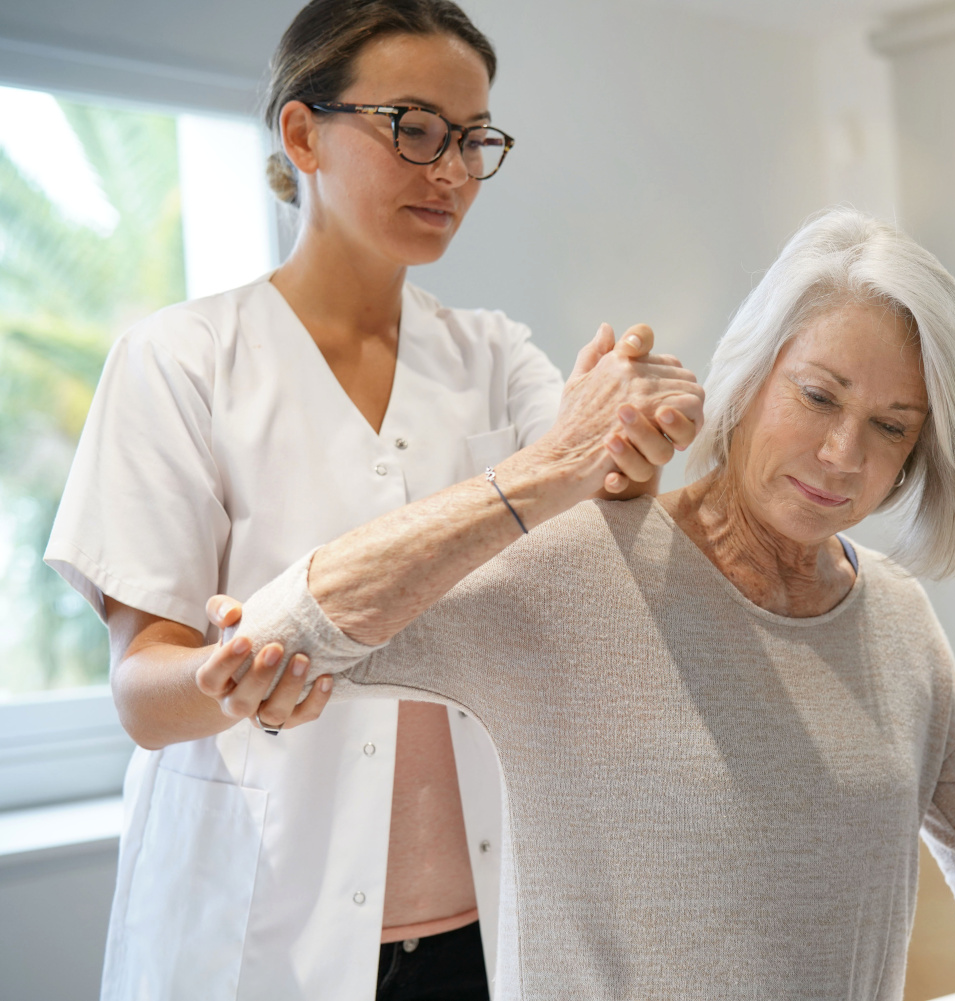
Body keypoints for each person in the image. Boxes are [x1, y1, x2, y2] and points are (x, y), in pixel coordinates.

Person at [232, 209, 955, 1000]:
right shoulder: (577, 565)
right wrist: (551, 468)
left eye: (892, 426)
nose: (844, 453)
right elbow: (276, 633)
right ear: (748, 374)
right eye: (818, 396)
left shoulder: (898, 621)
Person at [44, 1, 703, 998]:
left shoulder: (493, 353)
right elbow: (144, 692)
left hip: (484, 924)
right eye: (415, 128)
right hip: (261, 933)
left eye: (474, 140)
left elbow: (595, 485)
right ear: (303, 132)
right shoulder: (181, 362)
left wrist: (638, 428)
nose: (450, 172)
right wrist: (227, 679)